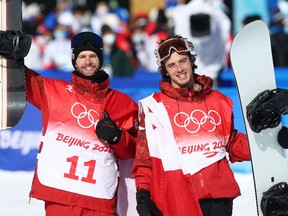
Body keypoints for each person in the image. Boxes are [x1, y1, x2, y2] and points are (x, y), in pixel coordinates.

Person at [0, 30, 138, 215]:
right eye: (82, 56)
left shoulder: (123, 103)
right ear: (74, 60)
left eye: (92, 56)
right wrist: (12, 55)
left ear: (101, 58)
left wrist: (117, 138)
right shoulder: (53, 91)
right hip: (59, 195)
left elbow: (135, 151)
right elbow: (21, 78)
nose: (87, 61)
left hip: (99, 199)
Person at [132, 35, 251, 216]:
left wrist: (267, 139)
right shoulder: (154, 108)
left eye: (182, 61)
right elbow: (144, 158)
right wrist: (143, 193)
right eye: (171, 65)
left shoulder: (219, 101)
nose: (179, 69)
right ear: (165, 70)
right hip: (179, 197)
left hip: (219, 199)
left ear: (191, 61)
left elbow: (232, 143)